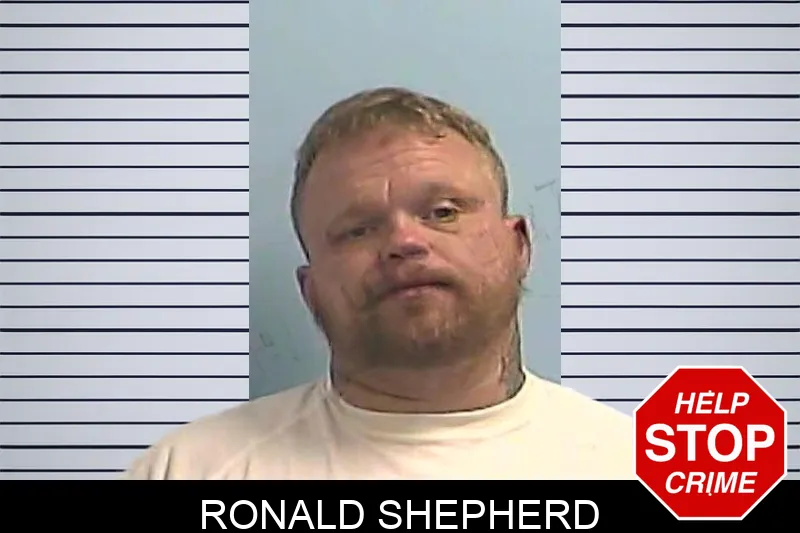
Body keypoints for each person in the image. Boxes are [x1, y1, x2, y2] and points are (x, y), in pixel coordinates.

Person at [123, 87, 633, 480]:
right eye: (357, 230)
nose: (404, 241)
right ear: (311, 291)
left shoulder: (641, 469)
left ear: (518, 244)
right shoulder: (190, 469)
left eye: (443, 211)